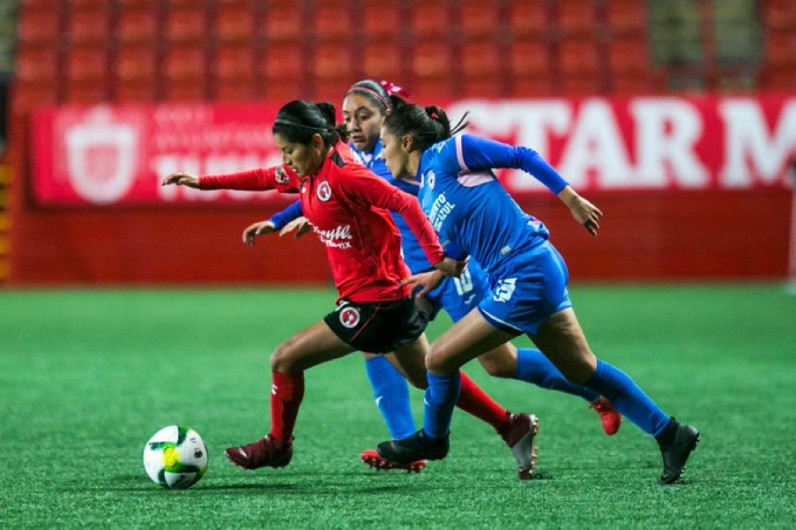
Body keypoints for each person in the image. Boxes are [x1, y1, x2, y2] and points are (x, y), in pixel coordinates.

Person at [162, 100, 539, 479]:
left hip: (373, 301)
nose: (286, 160)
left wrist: (437, 256)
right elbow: (265, 177)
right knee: (426, 377)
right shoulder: (309, 170)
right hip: (390, 295)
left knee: (285, 359)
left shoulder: (346, 174)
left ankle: (278, 445)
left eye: (289, 151)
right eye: (282, 152)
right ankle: (509, 425)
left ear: (314, 142)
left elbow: (405, 202)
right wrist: (203, 183)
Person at [272, 80, 621, 473]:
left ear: (388, 120)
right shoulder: (355, 159)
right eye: (348, 117)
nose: (352, 125)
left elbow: (441, 192)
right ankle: (406, 444)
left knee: (497, 363)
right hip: (411, 276)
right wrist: (286, 217)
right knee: (377, 340)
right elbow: (316, 189)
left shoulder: (402, 159)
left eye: (364, 117)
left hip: (451, 269)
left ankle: (594, 391)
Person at [374, 103, 701, 485]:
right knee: (583, 370)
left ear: (407, 141)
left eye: (384, 143)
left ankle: (433, 440)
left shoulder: (452, 152)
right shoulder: (427, 195)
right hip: (530, 270)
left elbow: (521, 156)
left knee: (439, 359)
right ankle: (671, 434)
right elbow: (462, 244)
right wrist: (436, 274)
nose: (382, 153)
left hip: (524, 270)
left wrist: (571, 199)